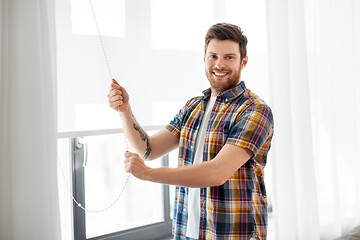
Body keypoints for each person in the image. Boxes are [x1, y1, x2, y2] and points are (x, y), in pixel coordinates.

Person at [107, 23, 274, 240]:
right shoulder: (193, 107)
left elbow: (217, 173)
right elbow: (148, 149)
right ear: (204, 58)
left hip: (233, 234)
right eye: (213, 56)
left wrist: (148, 174)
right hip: (187, 231)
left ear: (243, 62)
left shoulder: (255, 110)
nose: (219, 64)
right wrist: (124, 110)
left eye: (229, 57)